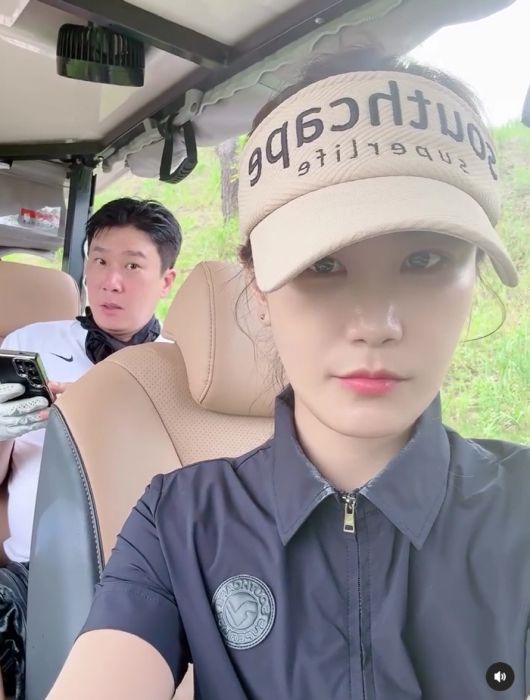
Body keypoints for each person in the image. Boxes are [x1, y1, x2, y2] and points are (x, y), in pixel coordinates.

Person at [47, 51, 528, 700]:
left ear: (475, 277)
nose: (376, 323)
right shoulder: (180, 522)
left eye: (425, 259)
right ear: (259, 290)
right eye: (323, 265)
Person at [0, 197, 181, 700]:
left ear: (166, 280)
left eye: (132, 266)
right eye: (99, 261)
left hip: (150, 578)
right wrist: (3, 431)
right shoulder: (30, 344)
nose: (110, 281)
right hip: (35, 571)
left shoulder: (182, 368)